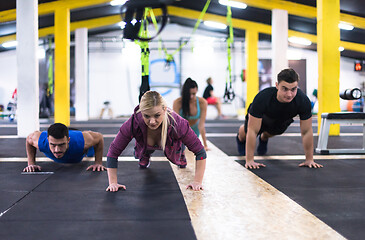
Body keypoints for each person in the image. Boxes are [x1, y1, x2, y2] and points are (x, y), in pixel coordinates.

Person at [106, 91, 206, 192]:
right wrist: (113, 182)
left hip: (171, 144)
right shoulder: (133, 123)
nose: (152, 121)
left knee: (180, 157)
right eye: (146, 116)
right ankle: (145, 154)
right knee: (142, 157)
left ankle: (181, 152)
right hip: (144, 143)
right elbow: (113, 152)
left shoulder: (178, 124)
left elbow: (200, 152)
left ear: (164, 109)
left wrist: (197, 181)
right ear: (141, 112)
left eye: (157, 115)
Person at [236, 68, 323, 169]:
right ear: (277, 85)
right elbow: (252, 130)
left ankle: (264, 137)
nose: (289, 94)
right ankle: (239, 137)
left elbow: (306, 131)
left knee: (275, 131)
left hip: (281, 118)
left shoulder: (303, 101)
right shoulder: (262, 98)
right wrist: (250, 160)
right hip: (262, 116)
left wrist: (309, 159)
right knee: (246, 133)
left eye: (293, 89)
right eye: (285, 89)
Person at [23, 123, 106, 172]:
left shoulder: (81, 142)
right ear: (48, 140)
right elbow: (28, 139)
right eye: (53, 145)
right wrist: (31, 164)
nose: (57, 150)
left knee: (90, 150)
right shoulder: (40, 141)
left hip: (80, 152)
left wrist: (98, 162)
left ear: (68, 140)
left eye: (61, 144)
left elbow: (99, 137)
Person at [173, 78, 209, 150]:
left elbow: (201, 125)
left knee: (196, 151)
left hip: (195, 131)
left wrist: (205, 144)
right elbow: (176, 125)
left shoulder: (202, 102)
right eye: (188, 94)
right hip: (182, 131)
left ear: (197, 91)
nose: (191, 97)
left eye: (193, 94)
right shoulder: (178, 102)